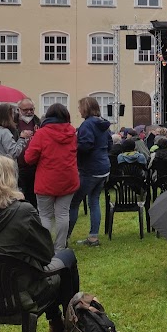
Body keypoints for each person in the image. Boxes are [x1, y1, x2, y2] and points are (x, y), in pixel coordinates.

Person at [0, 155, 80, 332]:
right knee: (65, 258)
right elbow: (46, 255)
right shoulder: (22, 212)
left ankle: (58, 322)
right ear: (8, 179)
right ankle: (67, 324)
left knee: (39, 268)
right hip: (22, 293)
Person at [24, 103, 79, 251]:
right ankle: (60, 247)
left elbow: (29, 158)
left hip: (46, 180)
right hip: (68, 178)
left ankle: (45, 247)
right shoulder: (72, 133)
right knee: (62, 214)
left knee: (45, 215)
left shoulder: (42, 133)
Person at [68, 97, 112, 247]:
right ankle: (93, 237)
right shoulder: (103, 124)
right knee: (94, 201)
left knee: (74, 203)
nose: (79, 110)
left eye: (80, 107)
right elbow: (110, 143)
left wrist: (74, 144)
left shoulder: (87, 125)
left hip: (90, 169)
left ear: (86, 108)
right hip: (104, 167)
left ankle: (63, 238)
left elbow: (86, 146)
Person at [16, 98, 41, 208]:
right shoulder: (13, 123)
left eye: (31, 109)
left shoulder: (39, 122)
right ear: (19, 110)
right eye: (26, 110)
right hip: (18, 164)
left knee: (34, 195)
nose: (29, 112)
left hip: (35, 165)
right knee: (20, 194)